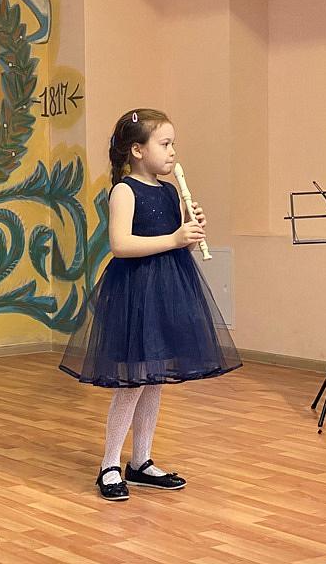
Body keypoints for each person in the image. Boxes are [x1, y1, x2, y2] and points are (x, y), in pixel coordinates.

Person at [59, 108, 242, 501]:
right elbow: (121, 245)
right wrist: (175, 238)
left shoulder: (170, 191)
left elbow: (174, 242)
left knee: (155, 379)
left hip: (167, 288)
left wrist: (188, 232)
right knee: (133, 382)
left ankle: (140, 461)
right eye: (165, 143)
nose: (173, 151)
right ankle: (109, 464)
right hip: (136, 292)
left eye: (173, 143)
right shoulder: (124, 191)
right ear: (138, 150)